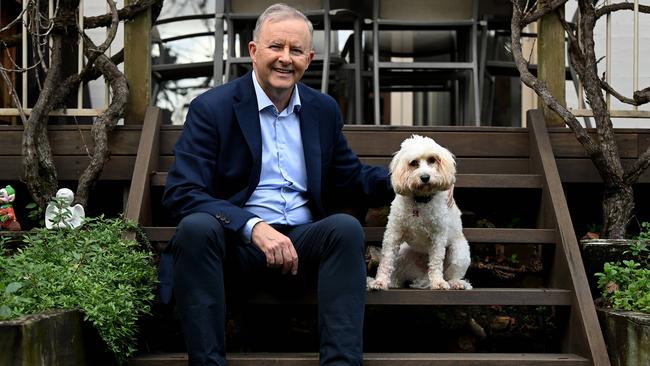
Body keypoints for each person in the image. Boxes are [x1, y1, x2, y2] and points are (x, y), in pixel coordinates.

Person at [162, 3, 394, 365]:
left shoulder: (322, 109)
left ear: (310, 58)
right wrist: (252, 227)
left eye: (296, 50)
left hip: (303, 244)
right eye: (276, 47)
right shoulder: (213, 108)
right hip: (235, 246)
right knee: (194, 228)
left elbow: (349, 176)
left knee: (345, 229)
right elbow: (182, 192)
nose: (285, 58)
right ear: (253, 51)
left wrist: (406, 179)